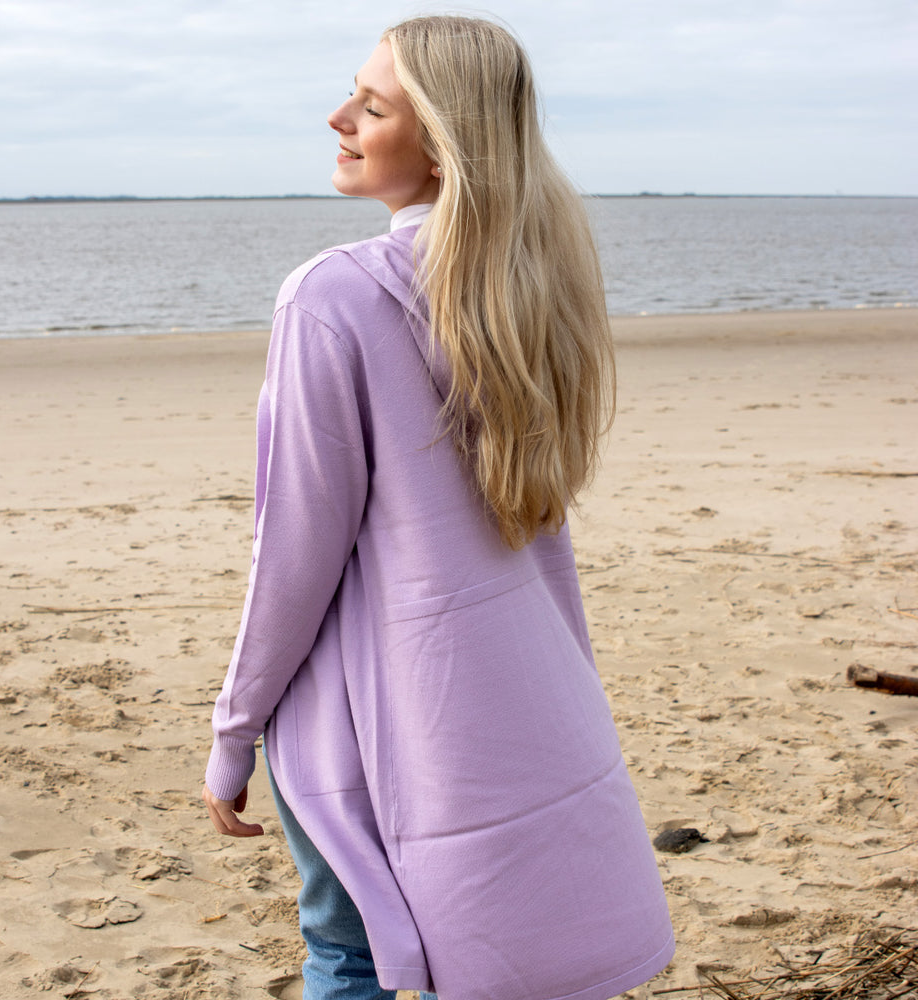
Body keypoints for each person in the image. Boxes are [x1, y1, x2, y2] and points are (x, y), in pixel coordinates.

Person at [203, 14, 674, 1000]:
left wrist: (234, 728)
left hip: (371, 724)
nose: (338, 117)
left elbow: (294, 553)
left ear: (441, 144)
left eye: (372, 107)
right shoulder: (535, 291)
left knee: (351, 957)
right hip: (525, 705)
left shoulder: (333, 297)